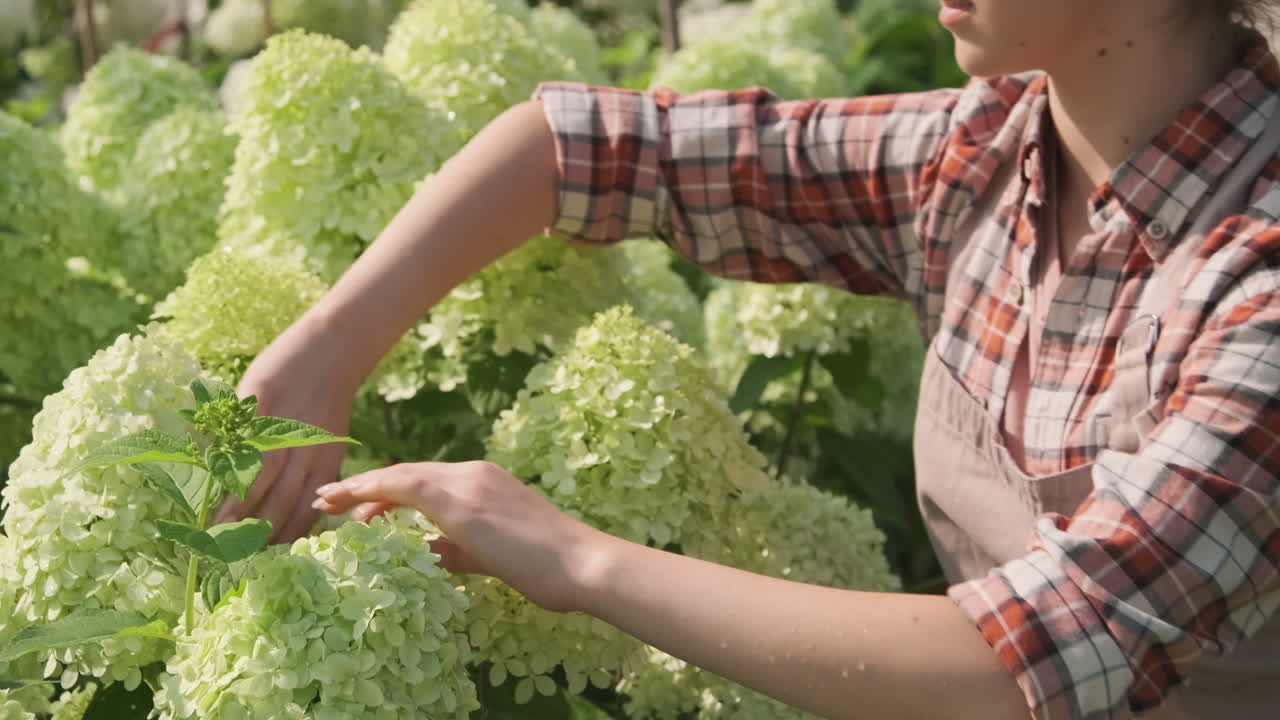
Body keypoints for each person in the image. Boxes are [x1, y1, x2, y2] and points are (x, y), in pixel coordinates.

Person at [216, 1, 1280, 717]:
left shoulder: (1256, 285)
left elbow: (1038, 659)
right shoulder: (986, 157)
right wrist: (327, 344)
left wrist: (573, 559)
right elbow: (581, 148)